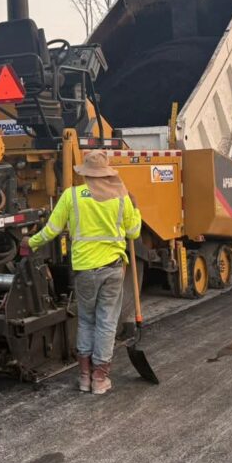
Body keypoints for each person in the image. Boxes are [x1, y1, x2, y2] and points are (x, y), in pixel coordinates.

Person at [23, 151, 141, 395]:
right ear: (107, 173)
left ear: (85, 174)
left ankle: (84, 377)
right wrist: (135, 209)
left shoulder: (72, 196)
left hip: (85, 270)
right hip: (113, 268)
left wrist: (31, 243)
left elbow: (52, 230)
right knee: (107, 322)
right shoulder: (121, 197)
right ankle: (100, 379)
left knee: (86, 321)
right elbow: (134, 232)